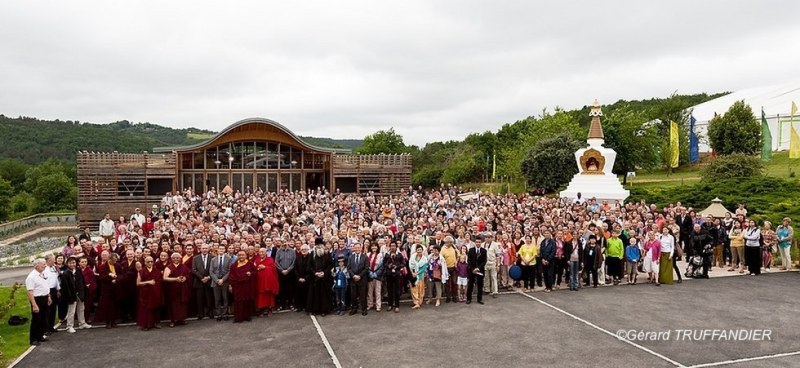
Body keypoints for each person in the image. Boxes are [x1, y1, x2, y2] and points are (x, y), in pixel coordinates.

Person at [59, 257, 90, 333]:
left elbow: (82, 282)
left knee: (81, 309)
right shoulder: (66, 273)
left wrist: (84, 291)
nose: (72, 264)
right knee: (71, 311)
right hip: (71, 294)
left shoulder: (78, 271)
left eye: (73, 262)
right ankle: (69, 326)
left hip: (80, 293)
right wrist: (69, 296)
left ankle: (82, 323)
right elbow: (65, 286)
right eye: (70, 263)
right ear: (67, 264)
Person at [26, 259, 51, 346]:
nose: (45, 266)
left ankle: (40, 336)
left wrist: (48, 296)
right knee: (36, 319)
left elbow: (45, 286)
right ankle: (33, 339)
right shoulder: (31, 277)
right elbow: (30, 292)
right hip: (37, 299)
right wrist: (34, 305)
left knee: (43, 318)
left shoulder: (43, 274)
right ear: (37, 265)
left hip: (44, 297)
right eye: (43, 264)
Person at [163, 252, 191, 327]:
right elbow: (165, 278)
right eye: (174, 258)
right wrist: (175, 279)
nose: (176, 259)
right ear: (171, 259)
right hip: (172, 289)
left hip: (182, 288)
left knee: (182, 304)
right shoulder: (168, 267)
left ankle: (181, 319)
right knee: (173, 305)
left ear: (180, 258)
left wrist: (185, 278)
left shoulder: (184, 266)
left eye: (177, 258)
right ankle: (173, 321)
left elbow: (188, 275)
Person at [228, 250, 256, 322]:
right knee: (238, 301)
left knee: (246, 300)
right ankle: (238, 317)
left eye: (243, 255)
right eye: (239, 255)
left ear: (246, 256)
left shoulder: (250, 264)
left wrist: (250, 273)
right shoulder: (234, 265)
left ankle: (247, 316)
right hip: (237, 286)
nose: (241, 256)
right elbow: (231, 276)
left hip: (246, 286)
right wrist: (230, 285)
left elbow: (255, 272)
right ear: (237, 256)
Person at [136, 256, 162, 330]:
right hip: (145, 293)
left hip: (155, 293)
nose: (150, 263)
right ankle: (146, 324)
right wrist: (148, 282)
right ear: (145, 263)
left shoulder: (157, 271)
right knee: (146, 309)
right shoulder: (141, 271)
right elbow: (138, 283)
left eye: (151, 261)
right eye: (148, 262)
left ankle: (155, 323)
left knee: (155, 308)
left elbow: (159, 282)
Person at [94, 252, 119, 328]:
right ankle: (108, 322)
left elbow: (121, 275)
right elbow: (101, 277)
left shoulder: (117, 265)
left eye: (116, 260)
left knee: (115, 306)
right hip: (106, 289)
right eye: (113, 260)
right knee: (107, 306)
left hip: (115, 288)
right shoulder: (102, 266)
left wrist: (116, 279)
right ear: (109, 259)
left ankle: (113, 321)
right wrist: (110, 276)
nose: (115, 262)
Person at [191, 243, 215, 320]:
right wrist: (202, 278)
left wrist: (208, 277)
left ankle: (210, 313)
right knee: (199, 299)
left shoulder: (213, 257)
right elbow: (194, 269)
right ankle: (200, 314)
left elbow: (215, 269)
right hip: (199, 281)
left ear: (208, 249)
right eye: (203, 248)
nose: (204, 250)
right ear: (200, 249)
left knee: (209, 298)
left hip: (209, 281)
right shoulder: (195, 258)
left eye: (206, 248)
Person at [307, 243, 332, 316]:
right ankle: (316, 310)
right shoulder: (312, 254)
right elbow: (309, 266)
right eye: (317, 246)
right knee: (315, 295)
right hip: (315, 278)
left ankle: (324, 310)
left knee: (324, 295)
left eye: (320, 245)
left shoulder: (327, 254)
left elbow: (330, 265)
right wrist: (315, 273)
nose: (319, 247)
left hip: (324, 278)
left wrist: (324, 273)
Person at [254, 247, 280, 316]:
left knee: (269, 296)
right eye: (260, 252)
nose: (261, 253)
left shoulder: (270, 259)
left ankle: (269, 309)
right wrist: (257, 268)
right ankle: (261, 309)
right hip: (259, 281)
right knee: (260, 296)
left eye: (263, 252)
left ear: (266, 253)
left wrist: (265, 267)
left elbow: (274, 269)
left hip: (268, 282)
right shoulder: (256, 260)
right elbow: (254, 269)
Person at [210, 245, 233, 321]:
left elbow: (229, 271)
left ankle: (225, 314)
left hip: (225, 282)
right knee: (217, 299)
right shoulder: (213, 259)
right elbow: (211, 271)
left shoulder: (228, 259)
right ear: (217, 250)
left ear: (225, 250)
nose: (221, 250)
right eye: (220, 249)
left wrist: (223, 279)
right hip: (215, 282)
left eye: (223, 249)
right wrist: (217, 280)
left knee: (225, 298)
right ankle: (219, 314)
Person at [346, 243, 369, 316]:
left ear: (361, 248)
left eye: (358, 247)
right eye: (356, 248)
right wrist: (353, 276)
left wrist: (359, 276)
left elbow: (366, 268)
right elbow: (348, 268)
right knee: (353, 296)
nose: (357, 249)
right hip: (353, 280)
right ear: (354, 248)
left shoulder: (365, 257)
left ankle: (364, 309)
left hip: (362, 279)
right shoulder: (351, 257)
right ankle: (354, 309)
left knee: (363, 295)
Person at [383, 241, 405, 312]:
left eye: (394, 246)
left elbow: (403, 263)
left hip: (397, 274)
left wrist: (397, 266)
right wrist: (388, 265)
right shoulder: (387, 255)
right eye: (391, 246)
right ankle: (390, 305)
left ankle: (397, 305)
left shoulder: (399, 255)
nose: (393, 247)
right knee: (389, 290)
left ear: (396, 247)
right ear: (390, 247)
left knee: (397, 290)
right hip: (389, 274)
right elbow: (383, 264)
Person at [274, 240, 296, 311]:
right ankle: (282, 304)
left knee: (290, 289)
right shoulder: (279, 251)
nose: (284, 244)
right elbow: (276, 262)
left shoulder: (292, 251)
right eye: (283, 242)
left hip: (290, 273)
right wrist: (281, 270)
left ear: (288, 242)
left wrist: (288, 270)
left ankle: (290, 304)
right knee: (282, 289)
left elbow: (294, 262)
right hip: (281, 273)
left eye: (285, 242)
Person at [43, 254, 61, 334]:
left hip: (54, 290)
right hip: (48, 290)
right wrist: (48, 294)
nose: (55, 261)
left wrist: (58, 289)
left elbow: (56, 279)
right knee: (47, 310)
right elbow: (45, 282)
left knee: (53, 309)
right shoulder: (44, 270)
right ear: (49, 260)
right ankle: (46, 329)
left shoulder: (53, 268)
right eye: (53, 259)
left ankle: (51, 326)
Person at [466, 238, 486, 304]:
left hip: (480, 270)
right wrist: (473, 269)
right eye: (477, 242)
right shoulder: (471, 250)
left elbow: (484, 261)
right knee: (470, 285)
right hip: (472, 271)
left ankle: (479, 299)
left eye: (479, 242)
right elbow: (469, 261)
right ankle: (468, 299)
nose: (478, 243)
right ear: (475, 243)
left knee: (480, 285)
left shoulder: (484, 251)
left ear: (481, 243)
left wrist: (478, 268)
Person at [365, 242, 384, 312]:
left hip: (377, 276)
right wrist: (370, 272)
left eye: (375, 246)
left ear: (377, 247)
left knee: (377, 291)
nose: (374, 247)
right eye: (372, 246)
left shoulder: (380, 255)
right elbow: (366, 265)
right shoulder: (368, 255)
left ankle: (378, 306)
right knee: (369, 291)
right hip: (370, 275)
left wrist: (376, 274)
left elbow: (382, 266)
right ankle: (370, 304)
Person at [293, 244, 312, 313]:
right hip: (299, 279)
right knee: (299, 294)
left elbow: (311, 269)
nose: (303, 250)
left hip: (308, 280)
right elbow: (295, 268)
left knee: (307, 294)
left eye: (305, 249)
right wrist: (299, 278)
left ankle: (307, 307)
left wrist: (305, 278)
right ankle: (299, 307)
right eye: (302, 249)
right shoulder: (298, 258)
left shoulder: (311, 258)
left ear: (308, 250)